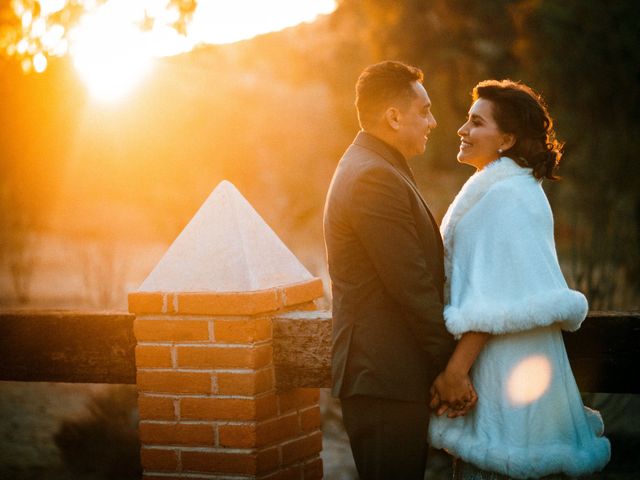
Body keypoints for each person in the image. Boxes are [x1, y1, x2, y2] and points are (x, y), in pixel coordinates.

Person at [428, 79, 611, 479]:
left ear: (507, 138)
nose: (462, 130)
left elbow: (496, 299)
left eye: (476, 122)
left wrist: (455, 372)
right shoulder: (512, 190)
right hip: (513, 369)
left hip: (507, 377)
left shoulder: (507, 197)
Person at [323, 60, 463, 479]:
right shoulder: (372, 177)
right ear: (394, 116)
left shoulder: (375, 165)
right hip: (382, 377)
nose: (433, 122)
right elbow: (411, 285)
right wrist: (451, 368)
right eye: (425, 111)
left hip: (388, 377)